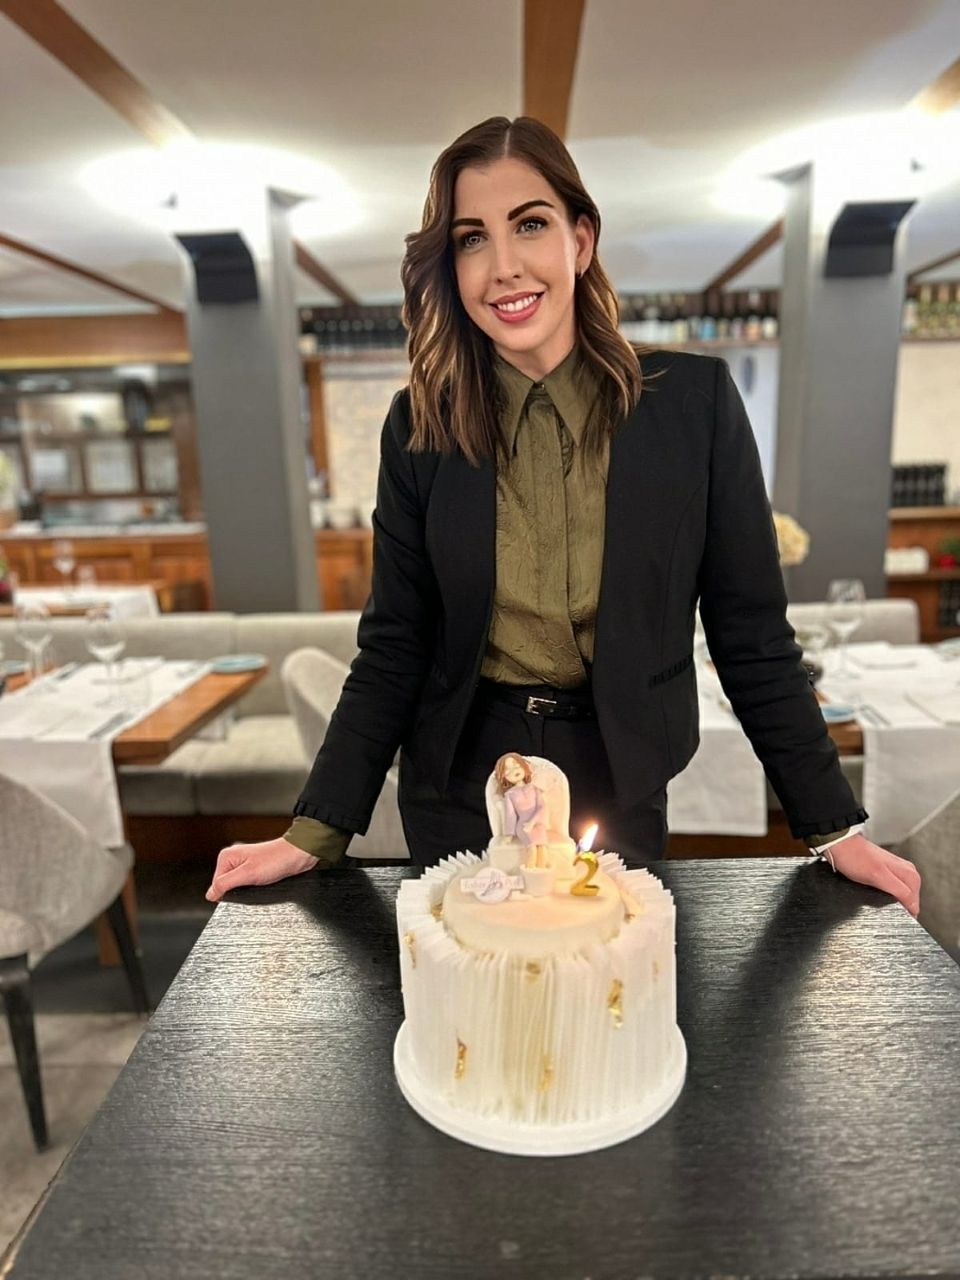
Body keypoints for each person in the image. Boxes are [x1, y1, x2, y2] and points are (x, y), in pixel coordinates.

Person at [206, 115, 920, 918]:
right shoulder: (418, 426)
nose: (503, 267)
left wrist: (834, 826)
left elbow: (751, 636)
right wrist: (314, 830)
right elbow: (395, 645)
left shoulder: (694, 406)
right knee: (470, 987)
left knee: (605, 985)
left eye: (531, 225)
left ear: (581, 240)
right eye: (471, 239)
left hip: (618, 772)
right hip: (460, 781)